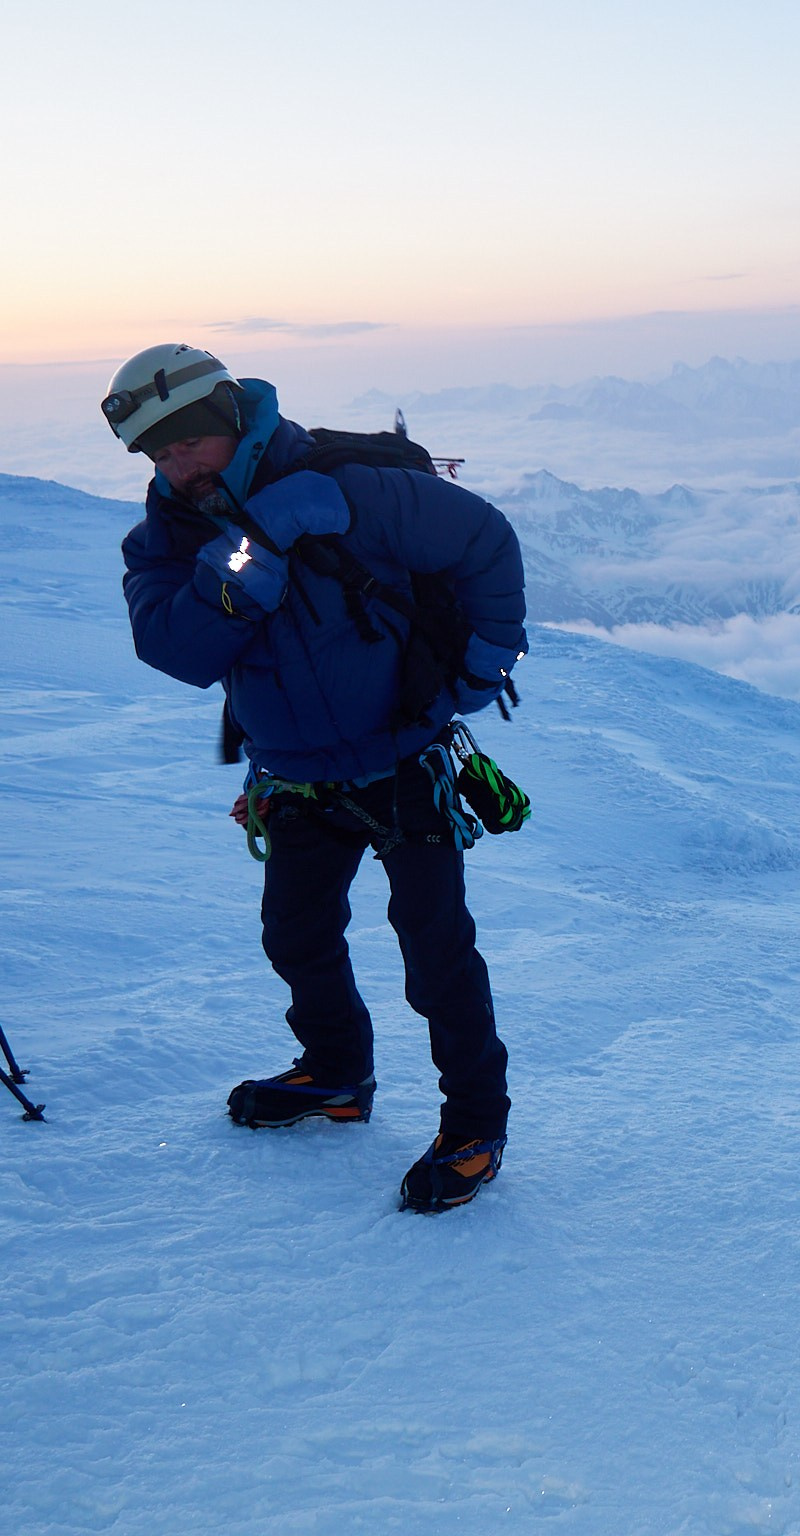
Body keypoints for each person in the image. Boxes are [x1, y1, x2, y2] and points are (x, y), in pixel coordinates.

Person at [105, 344, 527, 1213]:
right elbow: (175, 649)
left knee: (435, 949)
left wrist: (482, 670)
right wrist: (249, 562)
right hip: (293, 774)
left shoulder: (347, 486)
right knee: (296, 936)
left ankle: (476, 1122)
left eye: (186, 442)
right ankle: (337, 1073)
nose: (175, 466)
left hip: (404, 754)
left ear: (227, 416)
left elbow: (484, 539)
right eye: (157, 453)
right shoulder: (166, 539)